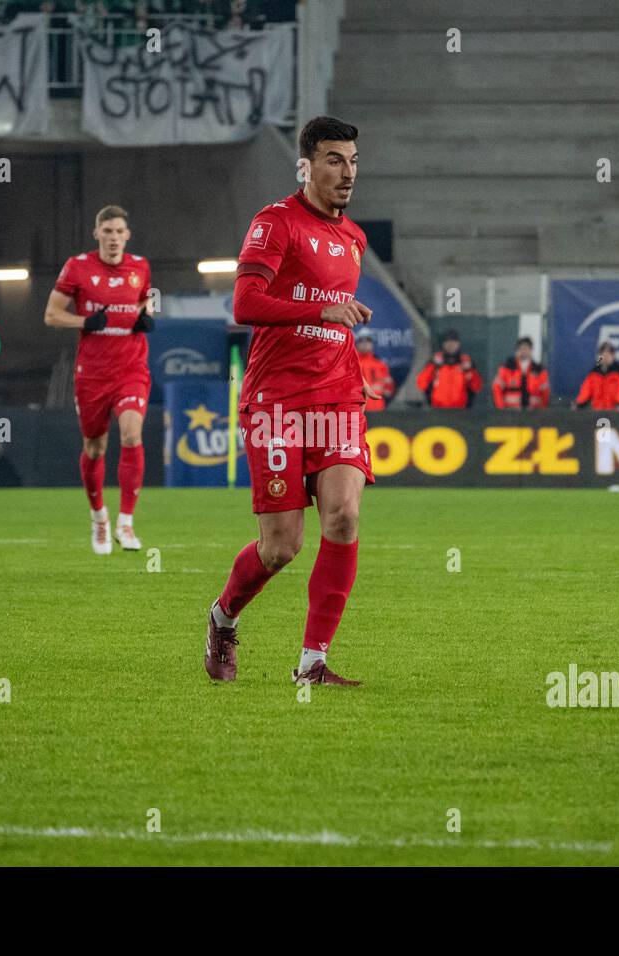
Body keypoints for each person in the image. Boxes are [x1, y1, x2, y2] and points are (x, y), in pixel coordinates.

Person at [206, 115, 372, 687]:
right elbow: (246, 304)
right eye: (333, 159)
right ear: (306, 165)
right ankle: (223, 617)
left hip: (338, 399)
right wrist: (318, 310)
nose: (346, 172)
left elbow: (336, 324)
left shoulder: (354, 237)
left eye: (352, 160)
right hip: (275, 402)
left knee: (344, 517)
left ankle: (312, 665)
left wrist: (355, 372)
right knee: (281, 548)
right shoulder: (275, 223)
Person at [43, 205, 153, 555]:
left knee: (132, 433)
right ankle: (99, 517)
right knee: (95, 448)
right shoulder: (78, 267)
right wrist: (83, 322)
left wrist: (145, 318)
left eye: (119, 231)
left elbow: (142, 304)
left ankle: (126, 521)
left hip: (131, 368)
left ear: (127, 235)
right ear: (97, 235)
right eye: (107, 232)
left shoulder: (140, 266)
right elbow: (51, 315)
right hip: (92, 374)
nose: (114, 238)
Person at [415, 329, 481, 408]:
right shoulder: (435, 361)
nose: (451, 346)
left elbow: (476, 387)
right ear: (443, 345)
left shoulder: (465, 362)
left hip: (461, 412)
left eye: (454, 343)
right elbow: (421, 384)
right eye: (448, 343)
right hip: (438, 410)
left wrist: (470, 370)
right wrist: (432, 365)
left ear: (458, 344)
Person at [492, 336, 549, 410]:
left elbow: (545, 392)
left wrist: (541, 410)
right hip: (510, 412)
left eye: (526, 348)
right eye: (521, 348)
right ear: (517, 350)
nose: (523, 351)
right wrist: (501, 408)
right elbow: (497, 388)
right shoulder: (507, 367)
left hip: (533, 412)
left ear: (531, 350)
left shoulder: (539, 369)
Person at [574, 342, 619, 411]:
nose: (606, 357)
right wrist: (578, 404)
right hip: (596, 412)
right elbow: (585, 392)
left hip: (614, 412)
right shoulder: (593, 375)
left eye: (609, 355)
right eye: (603, 355)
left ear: (613, 357)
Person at [355, 327, 393, 411]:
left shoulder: (381, 365)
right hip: (358, 410)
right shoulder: (351, 364)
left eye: (368, 340)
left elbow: (389, 389)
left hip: (378, 408)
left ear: (372, 343)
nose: (364, 343)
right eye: (361, 340)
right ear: (356, 343)